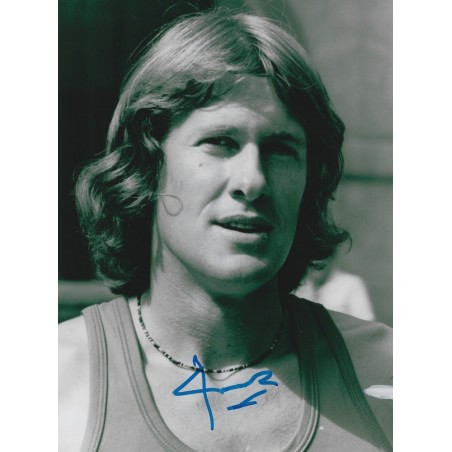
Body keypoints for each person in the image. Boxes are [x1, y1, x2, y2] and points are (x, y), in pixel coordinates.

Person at [59, 10, 392, 452]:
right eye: (220, 142)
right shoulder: (54, 385)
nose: (252, 180)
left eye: (281, 149)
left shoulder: (389, 376)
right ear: (148, 164)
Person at [294, 253, 376, 321]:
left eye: (322, 256)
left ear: (332, 257)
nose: (316, 261)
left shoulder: (352, 283)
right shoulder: (299, 284)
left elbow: (366, 324)